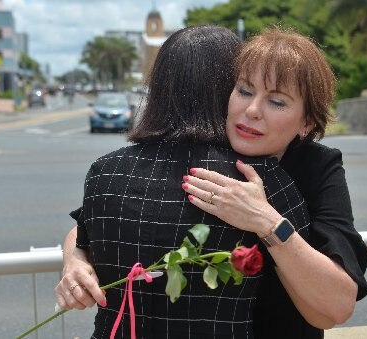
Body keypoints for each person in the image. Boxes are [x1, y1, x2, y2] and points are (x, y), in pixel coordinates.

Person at [54, 25, 311, 338]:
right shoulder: (256, 179)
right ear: (229, 87)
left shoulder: (105, 172)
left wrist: (73, 259)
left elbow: (84, 231)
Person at [181, 27, 367, 338]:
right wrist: (78, 260)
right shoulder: (200, 146)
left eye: (277, 102)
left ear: (307, 123)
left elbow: (337, 306)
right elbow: (95, 217)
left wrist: (265, 221)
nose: (252, 111)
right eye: (244, 91)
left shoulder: (317, 165)